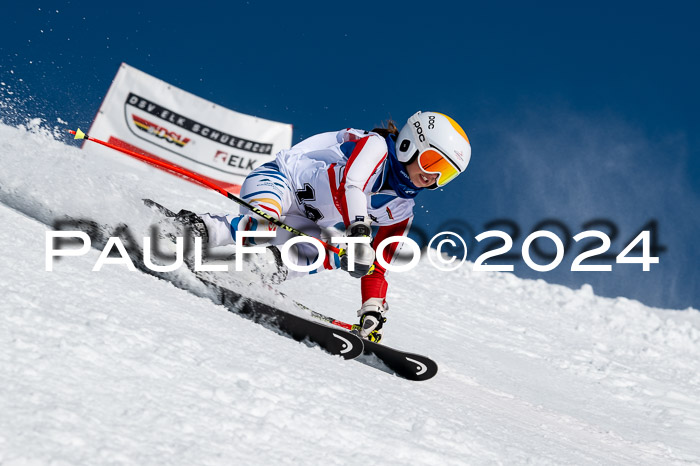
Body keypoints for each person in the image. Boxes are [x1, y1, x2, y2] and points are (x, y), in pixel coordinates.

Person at [176, 111, 471, 343]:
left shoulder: (401, 211)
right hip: (280, 182)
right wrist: (359, 231)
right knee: (262, 227)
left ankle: (259, 270)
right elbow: (352, 185)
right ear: (409, 144)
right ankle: (191, 230)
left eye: (444, 174)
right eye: (433, 162)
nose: (432, 177)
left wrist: (373, 307)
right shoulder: (376, 146)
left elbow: (379, 265)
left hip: (304, 224)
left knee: (339, 252)